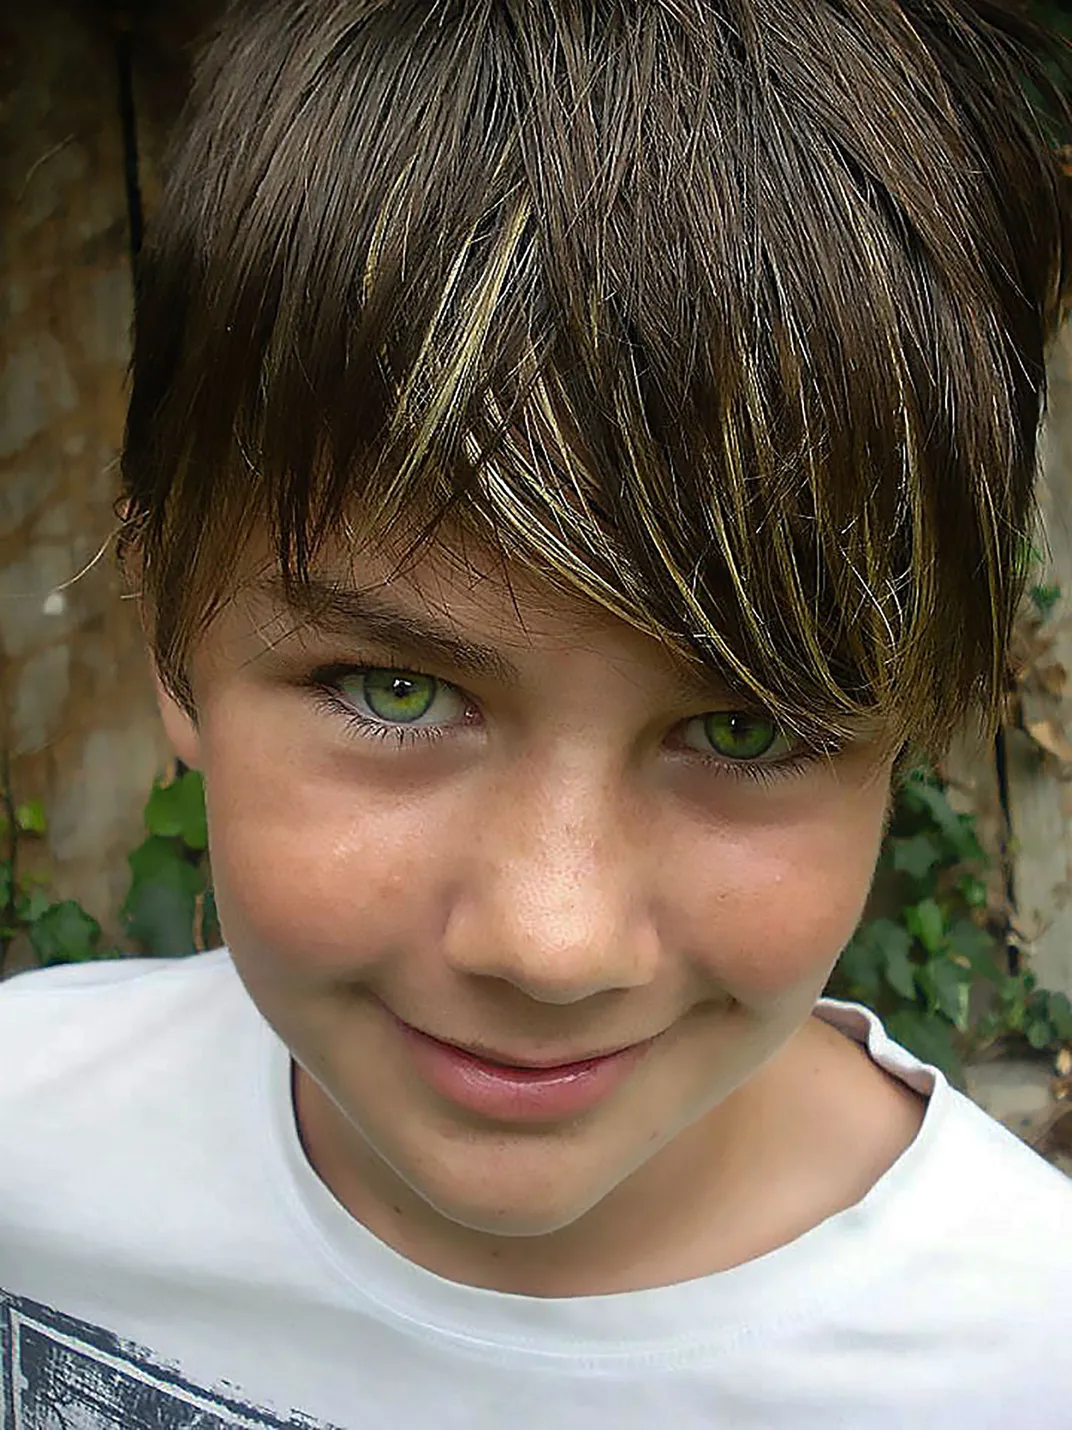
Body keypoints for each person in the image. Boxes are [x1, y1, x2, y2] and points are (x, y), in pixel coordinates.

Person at [2, 0, 1071, 1424]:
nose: (549, 942)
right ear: (170, 632)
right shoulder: (29, 1138)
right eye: (398, 691)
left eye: (747, 725)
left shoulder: (1021, 1358)